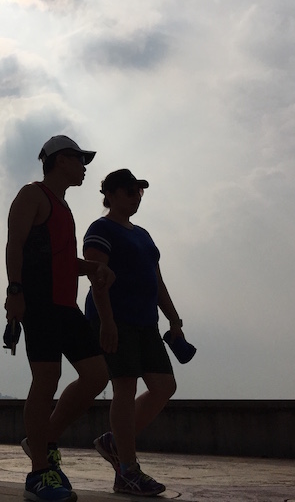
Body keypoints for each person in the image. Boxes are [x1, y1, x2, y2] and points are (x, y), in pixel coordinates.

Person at [5, 135, 114, 502]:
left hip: (66, 307)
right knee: (46, 379)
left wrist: (94, 268)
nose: (84, 166)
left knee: (98, 375)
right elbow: (14, 244)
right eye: (79, 159)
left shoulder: (64, 208)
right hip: (39, 304)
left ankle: (44, 440)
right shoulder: (32, 195)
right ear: (59, 160)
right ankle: (39, 472)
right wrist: (15, 292)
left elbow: (63, 261)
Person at [83, 169, 185, 497]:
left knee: (164, 385)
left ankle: (115, 441)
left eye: (139, 191)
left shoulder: (143, 235)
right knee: (124, 388)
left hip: (145, 323)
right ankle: (127, 469)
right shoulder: (101, 229)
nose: (136, 196)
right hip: (115, 319)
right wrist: (108, 322)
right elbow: (97, 278)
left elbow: (156, 280)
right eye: (129, 191)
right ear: (110, 194)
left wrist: (174, 318)